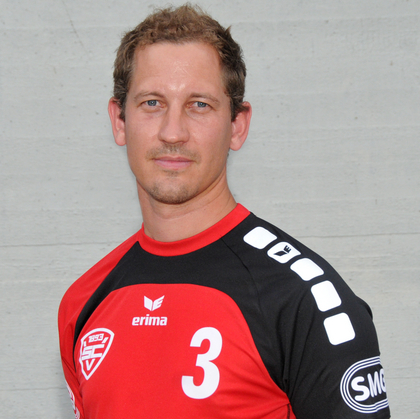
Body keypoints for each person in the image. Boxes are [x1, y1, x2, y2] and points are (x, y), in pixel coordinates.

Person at [58, 4, 391, 419]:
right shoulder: (83, 302)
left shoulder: (304, 299)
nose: (173, 132)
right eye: (152, 102)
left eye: (199, 105)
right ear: (120, 121)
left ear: (237, 126)